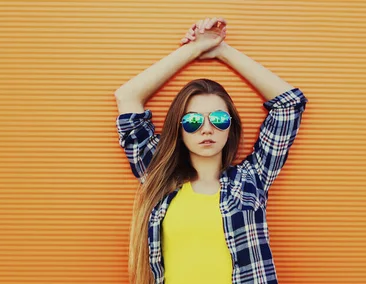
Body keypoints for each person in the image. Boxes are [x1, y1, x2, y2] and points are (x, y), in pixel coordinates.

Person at [114, 17, 308, 284]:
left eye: (219, 119)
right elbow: (127, 96)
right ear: (178, 129)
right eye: (193, 121)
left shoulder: (252, 178)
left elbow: (289, 104)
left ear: (231, 127)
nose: (207, 129)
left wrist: (221, 50)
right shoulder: (157, 176)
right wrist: (193, 49)